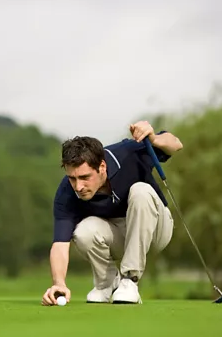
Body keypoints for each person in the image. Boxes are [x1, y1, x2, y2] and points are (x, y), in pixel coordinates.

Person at [41, 120, 183, 305]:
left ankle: (130, 281)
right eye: (72, 178)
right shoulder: (66, 193)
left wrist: (154, 138)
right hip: (119, 236)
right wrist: (58, 284)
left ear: (102, 167)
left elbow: (176, 144)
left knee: (140, 190)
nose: (78, 186)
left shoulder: (127, 154)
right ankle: (106, 284)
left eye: (85, 177)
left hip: (156, 229)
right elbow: (60, 245)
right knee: (83, 231)